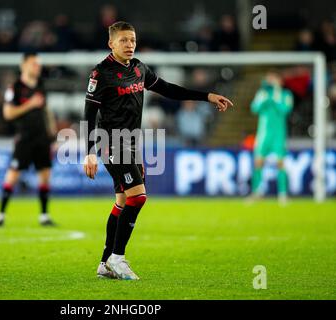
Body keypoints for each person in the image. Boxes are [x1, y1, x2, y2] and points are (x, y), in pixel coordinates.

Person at [83, 21, 233, 280]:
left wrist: (207, 96)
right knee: (138, 197)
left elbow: (169, 90)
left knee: (122, 202)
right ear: (111, 43)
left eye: (132, 40)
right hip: (111, 142)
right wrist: (89, 152)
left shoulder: (139, 68)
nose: (129, 45)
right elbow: (89, 111)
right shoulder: (101, 73)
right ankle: (118, 258)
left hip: (131, 143)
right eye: (123, 40)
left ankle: (105, 262)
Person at [0, 53, 56, 227]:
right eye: (33, 64)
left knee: (45, 175)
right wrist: (30, 104)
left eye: (38, 64)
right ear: (24, 66)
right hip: (24, 138)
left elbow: (46, 111)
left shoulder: (41, 86)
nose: (37, 67)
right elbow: (8, 113)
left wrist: (52, 132)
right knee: (13, 174)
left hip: (42, 138)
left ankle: (44, 215)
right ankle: (1, 214)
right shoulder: (15, 87)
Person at [249, 70, 294, 204]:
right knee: (258, 163)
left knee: (280, 163)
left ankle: (283, 194)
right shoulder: (262, 93)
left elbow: (286, 110)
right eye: (269, 79)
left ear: (280, 81)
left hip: (278, 134)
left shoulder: (286, 94)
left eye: (273, 79)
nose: (270, 81)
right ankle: (256, 192)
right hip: (263, 134)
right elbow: (254, 109)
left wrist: (275, 96)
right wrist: (265, 99)